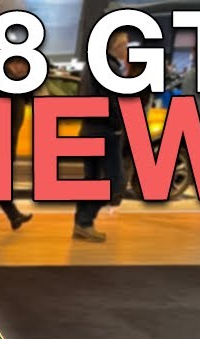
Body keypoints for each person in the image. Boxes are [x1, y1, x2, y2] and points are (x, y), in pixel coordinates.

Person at [72, 29, 134, 242]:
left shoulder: (91, 67)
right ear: (116, 46)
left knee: (91, 180)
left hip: (88, 129)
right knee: (115, 182)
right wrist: (118, 125)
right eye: (125, 44)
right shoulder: (110, 68)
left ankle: (82, 224)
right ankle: (84, 221)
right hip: (105, 131)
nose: (127, 49)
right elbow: (114, 102)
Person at [0, 53, 35, 231]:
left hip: (0, 140)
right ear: (13, 64)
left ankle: (14, 216)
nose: (25, 70)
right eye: (23, 65)